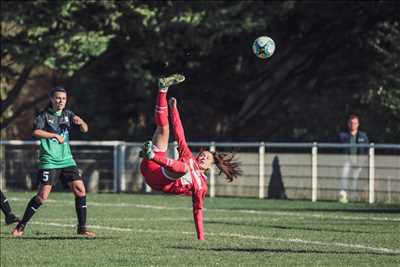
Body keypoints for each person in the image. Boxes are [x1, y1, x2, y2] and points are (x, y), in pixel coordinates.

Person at [139, 74, 242, 240]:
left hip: (157, 180)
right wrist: (174, 109)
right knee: (164, 128)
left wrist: (201, 237)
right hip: (151, 165)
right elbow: (179, 133)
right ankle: (162, 89)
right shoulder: (188, 157)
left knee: (184, 168)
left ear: (210, 166)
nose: (202, 157)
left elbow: (197, 211)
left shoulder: (201, 186)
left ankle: (150, 154)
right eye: (202, 154)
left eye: (206, 158)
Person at [11, 87, 95, 237]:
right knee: (42, 197)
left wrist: (81, 122)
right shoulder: (43, 116)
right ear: (51, 99)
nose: (61, 101)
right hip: (49, 161)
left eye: (63, 98)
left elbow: (85, 129)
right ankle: (21, 226)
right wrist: (53, 135)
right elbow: (36, 132)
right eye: (58, 98)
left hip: (67, 160)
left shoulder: (68, 114)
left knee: (80, 190)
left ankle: (82, 229)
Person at [338, 114, 369, 203]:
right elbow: (338, 150)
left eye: (355, 123)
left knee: (355, 179)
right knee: (344, 177)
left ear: (358, 124)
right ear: (348, 124)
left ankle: (354, 196)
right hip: (346, 161)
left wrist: (363, 161)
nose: (353, 125)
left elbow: (367, 150)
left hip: (359, 162)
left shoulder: (363, 136)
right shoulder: (342, 136)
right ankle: (343, 196)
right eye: (351, 123)